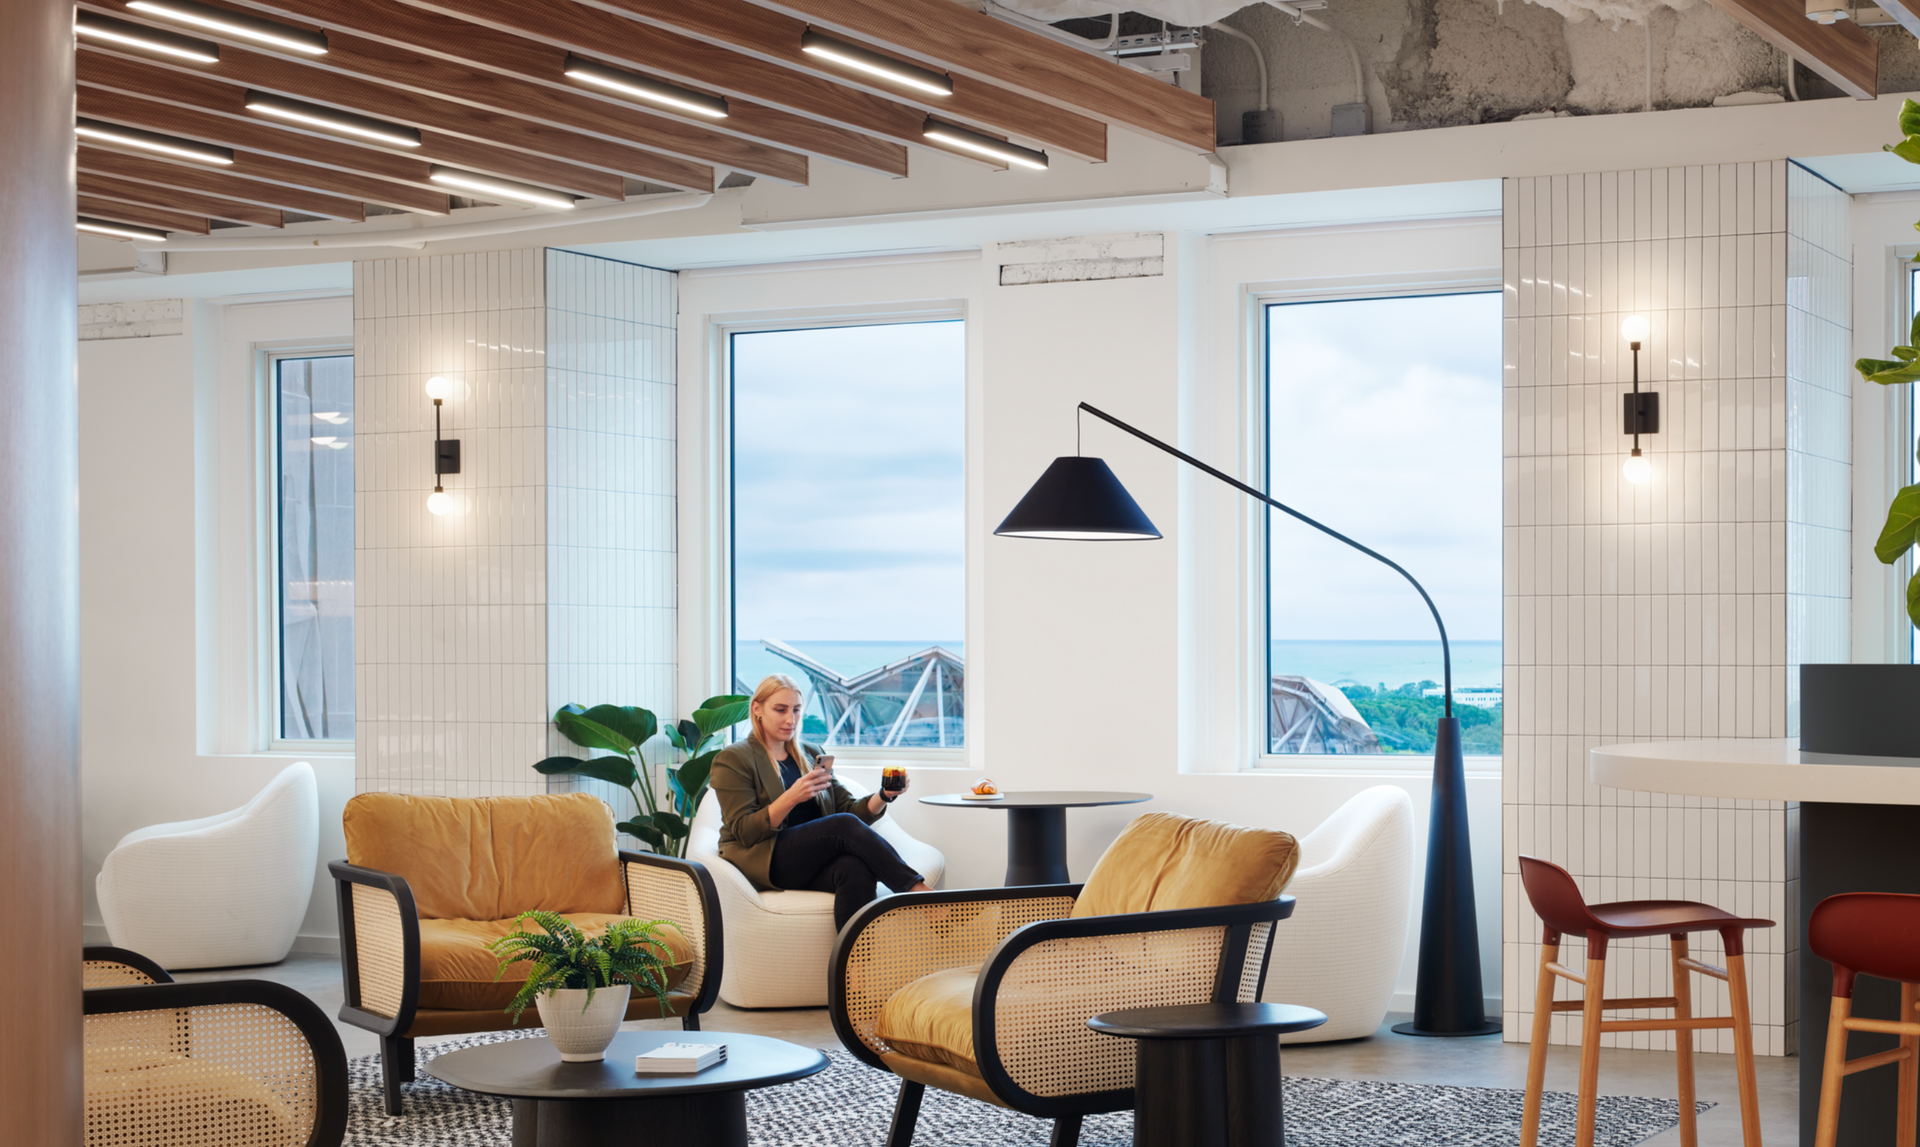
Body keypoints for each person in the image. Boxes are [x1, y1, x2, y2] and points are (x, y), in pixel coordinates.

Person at [710, 674, 932, 930]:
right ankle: (919, 893)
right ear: (757, 709)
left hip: (809, 858)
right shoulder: (733, 758)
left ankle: (854, 966)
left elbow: (849, 812)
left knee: (855, 868)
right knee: (842, 826)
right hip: (766, 858)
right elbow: (744, 831)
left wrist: (883, 796)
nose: (790, 719)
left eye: (796, 710)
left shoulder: (812, 753)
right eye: (780, 710)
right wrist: (792, 797)